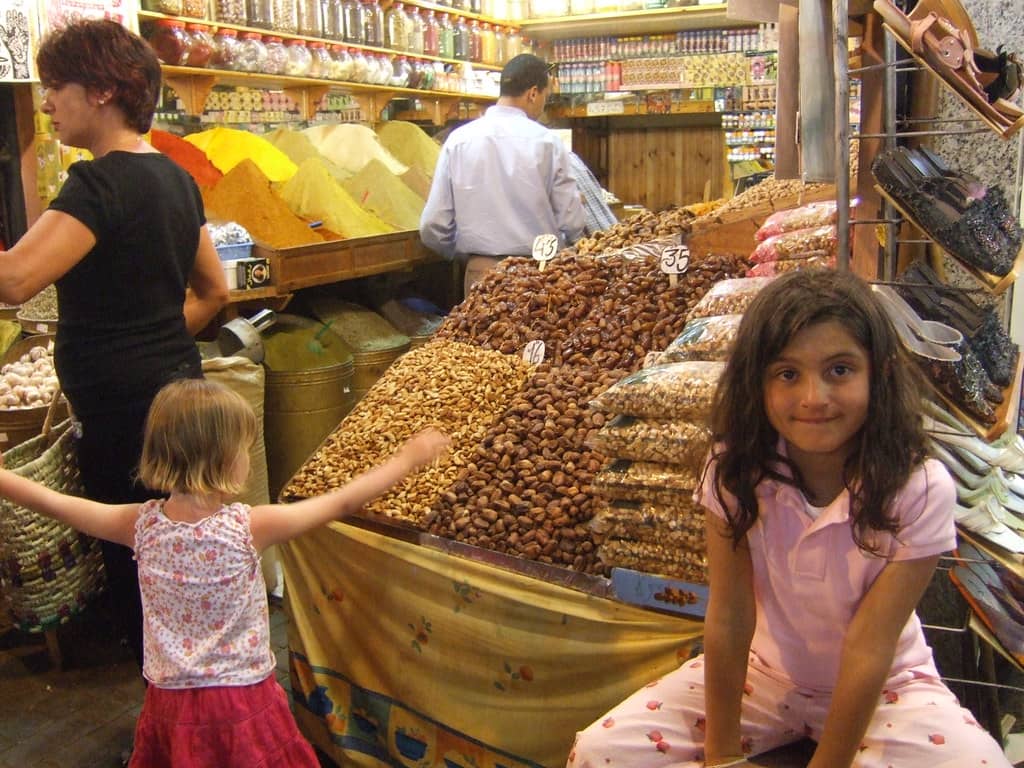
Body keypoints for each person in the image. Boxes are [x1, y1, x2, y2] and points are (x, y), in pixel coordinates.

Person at [567, 269, 1010, 768]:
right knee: (600, 752)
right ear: (756, 382)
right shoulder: (734, 470)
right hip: (763, 672)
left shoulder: (920, 488)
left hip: (889, 685)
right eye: (787, 374)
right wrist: (721, 755)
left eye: (840, 370)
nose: (813, 398)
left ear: (880, 373)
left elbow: (870, 646)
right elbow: (730, 615)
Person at [0, 378, 451, 767]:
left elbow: (53, 502)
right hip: (243, 700)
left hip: (170, 703)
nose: (248, 456)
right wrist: (407, 459)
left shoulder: (138, 525)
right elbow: (342, 503)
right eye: (244, 447)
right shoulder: (251, 526)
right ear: (222, 459)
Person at [0, 19, 230, 670]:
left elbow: (15, 281)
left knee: (139, 558)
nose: (46, 104)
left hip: (126, 417)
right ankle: (206, 688)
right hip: (177, 392)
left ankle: (167, 713)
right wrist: (152, 342)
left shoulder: (97, 184)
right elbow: (213, 292)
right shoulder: (176, 179)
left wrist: (121, 356)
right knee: (179, 548)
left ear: (101, 91)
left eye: (55, 87)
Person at [419, 53, 586, 295]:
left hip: (482, 272)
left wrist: (465, 254)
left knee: (484, 334)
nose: (543, 105)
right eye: (545, 97)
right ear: (532, 93)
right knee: (538, 334)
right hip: (538, 275)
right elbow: (572, 221)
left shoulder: (458, 141)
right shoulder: (547, 143)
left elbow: (433, 225)